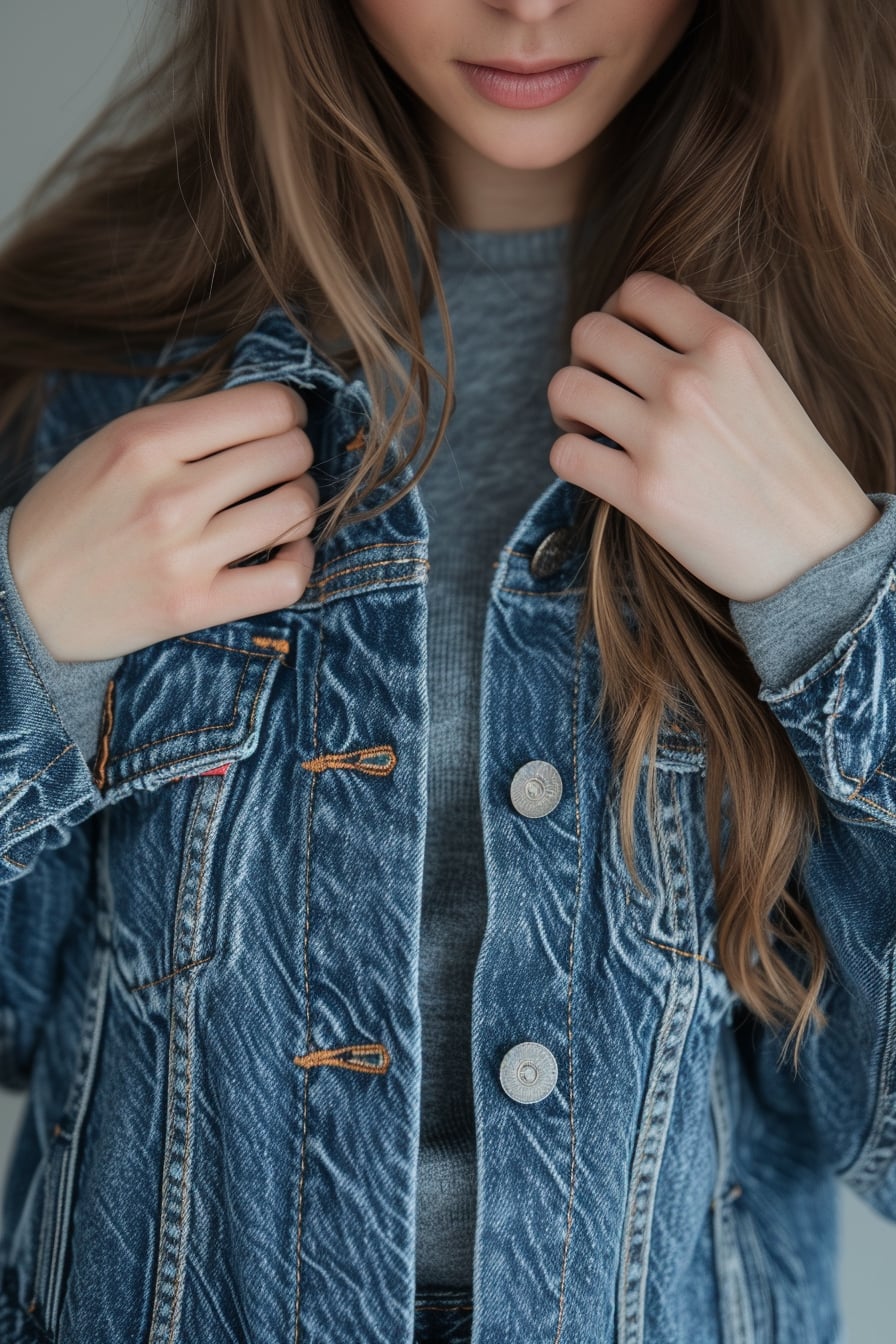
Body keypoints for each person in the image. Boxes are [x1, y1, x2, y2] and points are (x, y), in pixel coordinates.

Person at [0, 0, 894, 1339]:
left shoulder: (859, 376)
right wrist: (22, 638)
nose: (529, 5)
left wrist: (838, 602)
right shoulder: (86, 378)